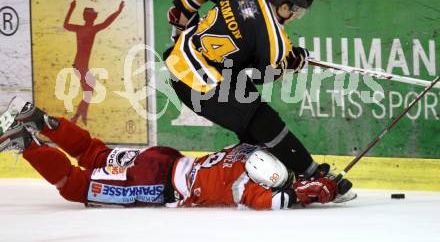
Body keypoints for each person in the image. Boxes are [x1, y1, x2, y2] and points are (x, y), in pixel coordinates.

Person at [164, 0, 355, 199]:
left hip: (183, 57)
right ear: (284, 6)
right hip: (199, 83)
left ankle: (273, 176)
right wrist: (291, 63)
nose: (296, 16)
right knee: (262, 120)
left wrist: (182, 15)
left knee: (252, 130)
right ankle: (311, 175)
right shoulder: (274, 43)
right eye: (297, 10)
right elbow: (261, 75)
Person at [0, 101, 338, 210]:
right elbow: (269, 201)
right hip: (156, 183)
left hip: (163, 158)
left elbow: (277, 169)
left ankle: (42, 120)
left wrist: (308, 179)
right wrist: (305, 195)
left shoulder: (246, 150)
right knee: (75, 186)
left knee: (94, 152)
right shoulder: (242, 185)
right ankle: (27, 144)